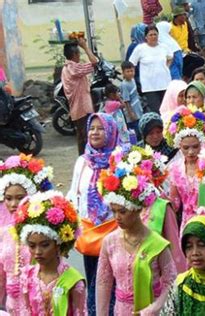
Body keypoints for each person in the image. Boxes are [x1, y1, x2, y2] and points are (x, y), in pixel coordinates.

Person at [96, 145, 178, 314]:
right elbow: (103, 282)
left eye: (123, 211)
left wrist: (155, 307)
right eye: (114, 211)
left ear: (138, 209)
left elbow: (171, 282)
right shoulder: (110, 242)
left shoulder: (157, 244)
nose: (117, 217)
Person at [67, 113, 120, 314]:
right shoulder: (82, 161)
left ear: (111, 132)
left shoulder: (119, 160)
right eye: (92, 128)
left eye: (100, 128)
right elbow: (74, 194)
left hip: (115, 232)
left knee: (112, 282)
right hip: (89, 234)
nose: (95, 133)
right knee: (93, 280)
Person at [15, 191, 86, 315]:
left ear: (58, 244)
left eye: (45, 245)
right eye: (32, 246)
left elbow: (79, 313)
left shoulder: (74, 281)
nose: (37, 252)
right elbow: (23, 311)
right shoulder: (27, 276)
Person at [0, 155, 53, 313]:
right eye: (8, 198)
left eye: (20, 198)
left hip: (37, 306)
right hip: (10, 307)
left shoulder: (43, 232)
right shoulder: (4, 233)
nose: (13, 204)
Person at [165, 105, 205, 230]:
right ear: (179, 146)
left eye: (195, 147)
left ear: (201, 144)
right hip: (188, 225)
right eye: (186, 148)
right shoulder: (174, 169)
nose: (191, 152)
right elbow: (175, 204)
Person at [61, 38, 98, 155]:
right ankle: (86, 159)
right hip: (81, 107)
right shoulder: (74, 68)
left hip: (76, 108)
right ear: (74, 54)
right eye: (79, 53)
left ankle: (83, 158)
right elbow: (95, 61)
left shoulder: (66, 68)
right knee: (85, 136)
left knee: (82, 136)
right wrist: (85, 47)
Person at [129, 25, 172, 114]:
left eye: (155, 34)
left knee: (167, 110)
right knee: (156, 110)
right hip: (150, 86)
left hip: (165, 83)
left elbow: (170, 58)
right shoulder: (140, 49)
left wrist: (165, 68)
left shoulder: (164, 47)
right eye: (150, 35)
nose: (153, 37)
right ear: (146, 37)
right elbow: (132, 63)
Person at [170, 7, 205, 81]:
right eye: (182, 15)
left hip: (186, 51)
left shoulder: (185, 24)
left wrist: (194, 47)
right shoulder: (170, 27)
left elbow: (190, 37)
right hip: (177, 53)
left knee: (200, 60)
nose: (185, 17)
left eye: (185, 15)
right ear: (177, 17)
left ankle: (185, 77)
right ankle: (184, 77)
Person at [120, 61, 144, 141]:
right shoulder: (124, 85)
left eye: (132, 71)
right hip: (132, 114)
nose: (130, 73)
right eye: (128, 71)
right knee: (135, 134)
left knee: (140, 131)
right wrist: (131, 114)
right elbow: (126, 101)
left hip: (138, 110)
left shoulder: (133, 80)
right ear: (123, 72)